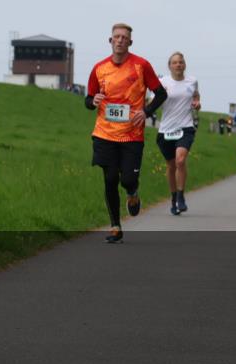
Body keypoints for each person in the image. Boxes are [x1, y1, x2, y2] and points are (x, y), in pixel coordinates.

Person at [85, 23, 167, 243]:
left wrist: (146, 111)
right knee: (110, 178)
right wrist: (93, 101)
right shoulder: (99, 68)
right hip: (104, 133)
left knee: (128, 179)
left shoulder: (141, 66)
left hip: (132, 134)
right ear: (110, 41)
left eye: (124, 38)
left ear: (130, 42)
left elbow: (160, 94)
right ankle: (115, 226)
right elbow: (88, 99)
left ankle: (133, 193)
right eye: (116, 37)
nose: (120, 40)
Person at [154, 52, 200, 215]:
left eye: (181, 62)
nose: (178, 65)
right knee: (171, 165)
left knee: (180, 160)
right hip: (166, 129)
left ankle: (181, 196)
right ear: (169, 66)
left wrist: (196, 103)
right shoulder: (162, 82)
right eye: (174, 62)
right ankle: (173, 198)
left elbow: (195, 96)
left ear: (184, 65)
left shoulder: (192, 81)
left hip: (185, 127)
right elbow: (153, 101)